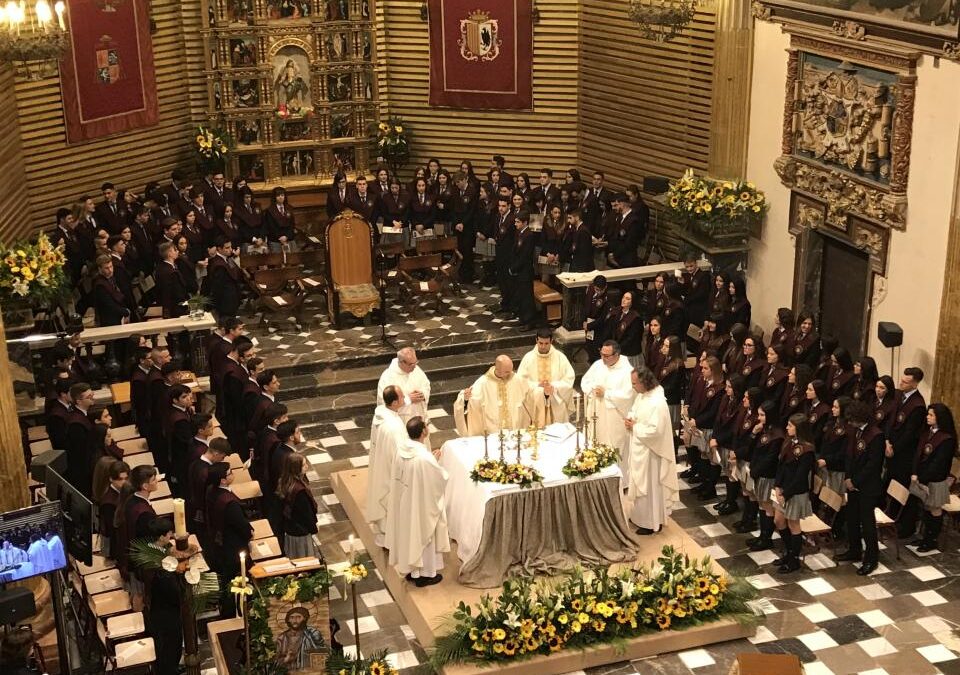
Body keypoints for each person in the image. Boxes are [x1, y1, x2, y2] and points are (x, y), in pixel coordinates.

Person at [386, 417, 450, 587]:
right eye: (426, 425)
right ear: (423, 432)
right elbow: (440, 479)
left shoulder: (401, 450)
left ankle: (412, 571)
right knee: (422, 537)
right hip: (420, 506)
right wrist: (435, 461)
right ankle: (424, 574)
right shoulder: (424, 458)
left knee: (409, 535)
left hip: (405, 503)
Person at [625, 367, 678, 534]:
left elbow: (656, 430)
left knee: (650, 488)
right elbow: (634, 410)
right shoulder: (643, 395)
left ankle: (651, 522)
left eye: (635, 383)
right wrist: (631, 418)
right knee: (641, 486)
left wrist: (635, 427)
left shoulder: (658, 402)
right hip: (641, 448)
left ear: (644, 382)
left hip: (651, 453)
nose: (633, 386)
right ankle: (638, 516)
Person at [836, 401, 885, 575]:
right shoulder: (854, 431)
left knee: (867, 523)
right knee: (852, 518)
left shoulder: (876, 435)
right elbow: (849, 455)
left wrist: (855, 481)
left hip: (867, 486)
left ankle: (871, 559)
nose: (849, 423)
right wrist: (848, 478)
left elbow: (873, 465)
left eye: (852, 420)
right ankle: (854, 550)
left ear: (860, 418)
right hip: (852, 483)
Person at [205, 462, 253, 618]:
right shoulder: (229, 503)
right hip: (234, 546)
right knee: (235, 579)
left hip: (221, 542)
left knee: (228, 578)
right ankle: (234, 611)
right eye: (230, 472)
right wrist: (249, 533)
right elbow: (240, 525)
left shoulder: (212, 491)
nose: (233, 473)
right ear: (223, 480)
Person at [884, 367, 927, 537]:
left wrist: (894, 448)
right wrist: (887, 441)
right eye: (901, 379)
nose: (901, 383)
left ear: (915, 383)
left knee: (903, 490)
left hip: (904, 455)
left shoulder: (918, 405)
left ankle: (906, 527)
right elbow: (891, 420)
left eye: (905, 382)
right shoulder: (899, 395)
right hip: (891, 449)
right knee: (891, 486)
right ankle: (892, 518)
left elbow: (910, 434)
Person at [772, 414, 815, 573]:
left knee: (793, 524)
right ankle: (789, 551)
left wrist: (785, 494)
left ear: (799, 428)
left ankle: (794, 559)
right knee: (778, 520)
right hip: (783, 489)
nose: (787, 428)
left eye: (790, 426)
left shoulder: (807, 450)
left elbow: (800, 477)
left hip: (795, 492)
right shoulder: (789, 442)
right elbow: (781, 465)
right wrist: (777, 486)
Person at [911, 403, 956, 552]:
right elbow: (919, 454)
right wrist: (915, 473)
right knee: (926, 507)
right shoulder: (928, 432)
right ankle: (925, 537)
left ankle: (931, 540)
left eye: (931, 415)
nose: (927, 417)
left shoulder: (946, 438)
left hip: (935, 480)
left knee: (935, 509)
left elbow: (939, 463)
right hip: (922, 477)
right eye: (928, 414)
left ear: (940, 418)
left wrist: (923, 478)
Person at [580, 340, 637, 457]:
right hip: (596, 413)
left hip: (614, 418)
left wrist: (606, 394)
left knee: (613, 452)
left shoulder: (627, 371)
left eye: (606, 356)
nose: (602, 358)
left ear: (616, 355)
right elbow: (585, 382)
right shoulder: (598, 364)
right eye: (601, 354)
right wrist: (593, 389)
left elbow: (628, 394)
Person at [142, 518, 184, 675]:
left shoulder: (150, 549)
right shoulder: (160, 566)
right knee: (170, 645)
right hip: (165, 611)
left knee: (168, 645)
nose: (171, 536)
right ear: (161, 537)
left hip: (158, 606)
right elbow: (172, 592)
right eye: (169, 534)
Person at [368, 385, 407, 546]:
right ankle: (391, 540)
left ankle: (385, 536)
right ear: (395, 402)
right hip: (390, 471)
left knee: (383, 503)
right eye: (402, 397)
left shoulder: (381, 414)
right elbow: (400, 455)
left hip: (381, 464)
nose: (405, 399)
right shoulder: (393, 427)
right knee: (390, 504)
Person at [454, 355, 533, 435]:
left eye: (511, 370)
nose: (510, 373)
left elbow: (531, 390)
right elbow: (471, 400)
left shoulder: (515, 378)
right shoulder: (483, 382)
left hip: (514, 429)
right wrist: (465, 399)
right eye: (506, 372)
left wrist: (542, 391)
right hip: (493, 430)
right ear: (497, 369)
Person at [745, 401, 784, 552]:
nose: (759, 418)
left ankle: (766, 538)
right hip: (759, 474)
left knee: (767, 507)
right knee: (762, 505)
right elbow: (753, 448)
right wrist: (754, 432)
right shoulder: (764, 429)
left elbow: (771, 459)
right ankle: (762, 536)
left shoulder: (778, 435)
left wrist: (756, 471)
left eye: (762, 415)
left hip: (768, 477)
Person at [516, 329, 575, 427]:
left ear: (551, 341)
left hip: (555, 398)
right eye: (541, 343)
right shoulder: (528, 358)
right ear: (536, 341)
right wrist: (537, 386)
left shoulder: (560, 357)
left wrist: (553, 387)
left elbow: (569, 378)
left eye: (546, 343)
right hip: (535, 400)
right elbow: (521, 381)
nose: (543, 346)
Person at [186, 437, 230, 544]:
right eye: (222, 456)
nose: (222, 460)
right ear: (216, 453)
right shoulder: (206, 472)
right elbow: (207, 495)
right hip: (203, 511)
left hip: (194, 506)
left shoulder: (196, 463)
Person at [277, 453, 319, 559]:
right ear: (296, 469)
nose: (307, 466)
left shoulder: (285, 481)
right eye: (304, 465)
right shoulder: (299, 491)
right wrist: (314, 528)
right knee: (303, 558)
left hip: (290, 528)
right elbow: (306, 514)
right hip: (300, 532)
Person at [376, 347, 431, 423]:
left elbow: (426, 385)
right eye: (411, 364)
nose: (415, 366)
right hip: (400, 422)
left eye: (416, 362)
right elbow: (385, 402)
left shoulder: (416, 369)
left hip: (419, 419)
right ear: (402, 362)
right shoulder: (387, 377)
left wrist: (422, 394)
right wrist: (408, 399)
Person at [508, 210, 538, 329]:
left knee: (527, 297)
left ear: (525, 222)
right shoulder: (519, 233)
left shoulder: (529, 235)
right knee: (520, 295)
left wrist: (515, 267)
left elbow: (525, 256)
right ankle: (522, 318)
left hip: (525, 271)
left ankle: (529, 321)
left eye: (518, 222)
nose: (515, 224)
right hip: (518, 271)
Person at [65, 383, 96, 498]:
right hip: (83, 471)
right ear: (78, 401)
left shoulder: (82, 415)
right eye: (89, 396)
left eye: (92, 394)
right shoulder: (76, 424)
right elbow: (81, 452)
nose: (93, 397)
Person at [98, 460, 130, 559]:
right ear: (111, 479)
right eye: (120, 479)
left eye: (126, 478)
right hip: (119, 544)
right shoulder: (108, 502)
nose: (124, 482)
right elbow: (113, 530)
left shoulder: (126, 491)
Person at [607, 291, 643, 369]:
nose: (624, 300)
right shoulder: (617, 312)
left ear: (632, 302)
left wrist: (617, 348)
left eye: (627, 299)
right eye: (623, 297)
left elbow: (631, 338)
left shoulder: (635, 318)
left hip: (629, 353)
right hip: (617, 350)